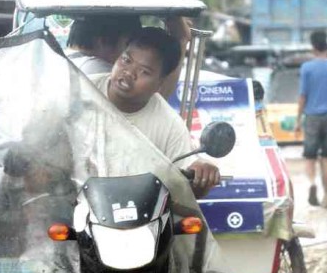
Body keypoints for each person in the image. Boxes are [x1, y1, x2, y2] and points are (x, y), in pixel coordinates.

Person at [90, 26, 219, 196]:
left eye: (144, 71)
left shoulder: (170, 124)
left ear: (160, 83)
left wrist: (201, 172)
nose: (129, 73)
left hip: (138, 215)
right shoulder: (80, 91)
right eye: (126, 60)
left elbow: (186, 173)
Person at [67, 15, 190, 100]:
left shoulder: (66, 61)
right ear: (103, 41)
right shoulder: (96, 70)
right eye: (128, 45)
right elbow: (151, 102)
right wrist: (181, 40)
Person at [294, 30, 327, 208]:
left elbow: (302, 96)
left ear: (313, 46)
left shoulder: (307, 68)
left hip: (312, 117)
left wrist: (297, 120)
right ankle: (326, 198)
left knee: (310, 156)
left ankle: (312, 184)